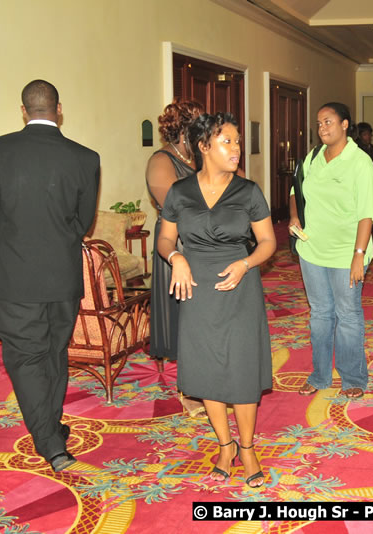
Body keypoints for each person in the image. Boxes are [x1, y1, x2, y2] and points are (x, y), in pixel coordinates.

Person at [0, 80, 99, 473]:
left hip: (14, 274)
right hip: (62, 272)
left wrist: (12, 248)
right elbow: (83, 222)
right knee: (52, 352)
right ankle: (51, 434)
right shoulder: (85, 157)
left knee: (27, 358)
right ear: (58, 109)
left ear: (24, 110)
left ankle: (48, 437)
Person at [157, 112, 276, 488]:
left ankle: (246, 448)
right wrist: (176, 258)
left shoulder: (249, 192)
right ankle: (224, 446)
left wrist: (244, 264)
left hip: (239, 286)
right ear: (204, 146)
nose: (237, 148)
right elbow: (164, 239)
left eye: (238, 141)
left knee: (240, 368)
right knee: (208, 370)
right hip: (196, 288)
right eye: (228, 141)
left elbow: (269, 243)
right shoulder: (180, 193)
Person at [289, 102, 373, 400]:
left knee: (348, 313)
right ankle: (320, 375)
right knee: (320, 314)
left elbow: (366, 214)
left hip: (346, 253)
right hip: (312, 248)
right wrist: (294, 216)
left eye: (328, 122)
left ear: (344, 125)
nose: (322, 128)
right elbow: (295, 190)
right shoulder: (313, 157)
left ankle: (353, 377)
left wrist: (358, 255)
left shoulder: (359, 162)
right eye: (319, 123)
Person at [145, 98, 205, 417]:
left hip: (206, 245)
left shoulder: (200, 156)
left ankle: (208, 380)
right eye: (198, 123)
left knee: (204, 319)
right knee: (184, 319)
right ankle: (190, 390)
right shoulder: (161, 161)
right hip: (177, 248)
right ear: (183, 129)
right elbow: (178, 208)